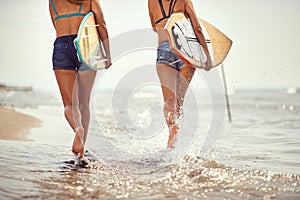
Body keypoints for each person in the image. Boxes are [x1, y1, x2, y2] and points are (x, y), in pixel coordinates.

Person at [49, 0, 111, 158]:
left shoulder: (53, 1)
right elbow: (101, 24)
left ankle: (78, 130)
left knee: (69, 104)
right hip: (87, 45)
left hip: (62, 46)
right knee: (83, 102)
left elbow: (56, 25)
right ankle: (83, 142)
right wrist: (107, 54)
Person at [148, 0, 212, 148]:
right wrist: (207, 56)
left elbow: (154, 27)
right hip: (186, 49)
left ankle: (172, 128)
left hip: (164, 49)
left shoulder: (151, 1)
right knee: (179, 102)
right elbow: (197, 28)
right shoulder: (184, 1)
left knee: (169, 101)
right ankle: (177, 140)